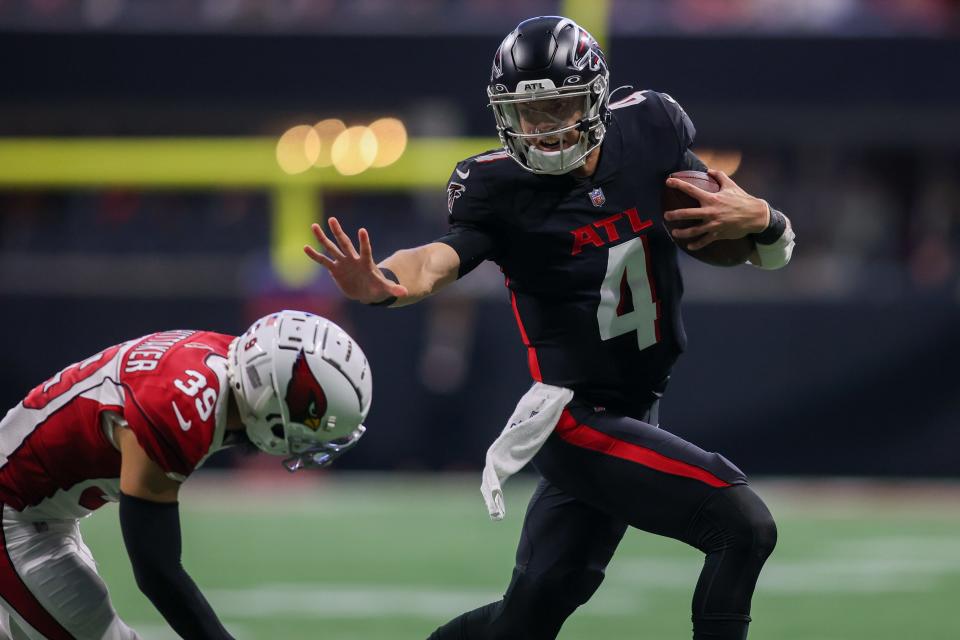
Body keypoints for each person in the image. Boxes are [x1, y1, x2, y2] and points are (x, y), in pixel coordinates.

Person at [305, 16, 794, 640]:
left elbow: (753, 242)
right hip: (575, 418)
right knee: (742, 525)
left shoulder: (649, 128)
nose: (543, 126)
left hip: (636, 409)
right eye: (527, 111)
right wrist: (386, 284)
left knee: (529, 617)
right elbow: (437, 258)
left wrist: (767, 220)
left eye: (558, 104)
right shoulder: (497, 186)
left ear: (594, 95)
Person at [0, 310, 369, 640]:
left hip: (38, 512)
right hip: (15, 514)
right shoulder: (179, 408)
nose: (310, 441)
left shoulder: (225, 364)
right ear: (272, 404)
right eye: (313, 424)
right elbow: (156, 570)